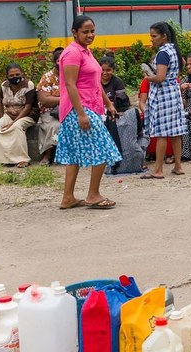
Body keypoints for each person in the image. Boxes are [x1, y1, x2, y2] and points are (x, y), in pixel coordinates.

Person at [56, 15, 121, 209]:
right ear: (74, 32)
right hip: (78, 108)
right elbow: (70, 84)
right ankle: (93, 194)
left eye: (92, 31)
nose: (90, 35)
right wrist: (81, 114)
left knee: (74, 155)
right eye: (85, 31)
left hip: (88, 106)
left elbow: (94, 82)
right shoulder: (72, 53)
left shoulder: (86, 52)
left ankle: (68, 198)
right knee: (103, 148)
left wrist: (108, 103)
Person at [142, 21, 187, 179]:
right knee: (176, 132)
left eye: (154, 36)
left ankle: (158, 170)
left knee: (161, 133)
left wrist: (148, 77)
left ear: (163, 36)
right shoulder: (174, 49)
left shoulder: (162, 53)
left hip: (163, 95)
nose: (151, 39)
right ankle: (178, 166)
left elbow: (160, 77)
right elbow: (182, 64)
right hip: (174, 92)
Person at [0, 63, 37, 167]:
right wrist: (2, 117)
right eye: (11, 75)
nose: (15, 77)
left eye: (17, 74)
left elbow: (28, 107)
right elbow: (0, 100)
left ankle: (23, 159)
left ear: (22, 74)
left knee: (17, 127)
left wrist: (13, 123)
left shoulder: (29, 85)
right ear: (7, 76)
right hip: (9, 114)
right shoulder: (4, 86)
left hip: (27, 115)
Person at [36, 47, 64, 165]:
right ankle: (47, 155)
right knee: (54, 125)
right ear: (54, 62)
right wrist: (65, 99)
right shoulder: (47, 77)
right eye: (59, 60)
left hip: (70, 110)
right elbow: (44, 99)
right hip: (50, 111)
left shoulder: (72, 74)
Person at [139, 77, 174, 164]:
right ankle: (150, 152)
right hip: (151, 111)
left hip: (168, 111)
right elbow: (142, 103)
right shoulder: (146, 81)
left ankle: (169, 154)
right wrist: (149, 114)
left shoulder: (172, 79)